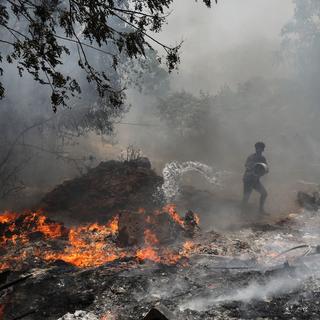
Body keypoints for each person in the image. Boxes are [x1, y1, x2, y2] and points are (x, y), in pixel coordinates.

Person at [242, 142, 269, 214]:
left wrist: (264, 171)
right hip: (248, 179)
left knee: (264, 194)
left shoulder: (262, 158)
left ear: (263, 149)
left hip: (255, 180)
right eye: (258, 148)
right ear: (255, 148)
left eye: (261, 148)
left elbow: (266, 169)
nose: (259, 149)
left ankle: (261, 210)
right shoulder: (251, 157)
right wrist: (254, 167)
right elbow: (246, 166)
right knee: (246, 196)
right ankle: (242, 212)